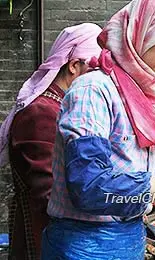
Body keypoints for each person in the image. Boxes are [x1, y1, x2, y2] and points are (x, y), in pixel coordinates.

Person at [41, 0, 155, 259]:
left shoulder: (149, 97)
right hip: (83, 243)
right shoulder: (93, 90)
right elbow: (89, 186)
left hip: (130, 237)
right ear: (140, 34)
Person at [0, 23, 102, 260]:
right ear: (74, 66)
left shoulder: (64, 105)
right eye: (95, 69)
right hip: (44, 235)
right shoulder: (41, 113)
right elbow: (49, 192)